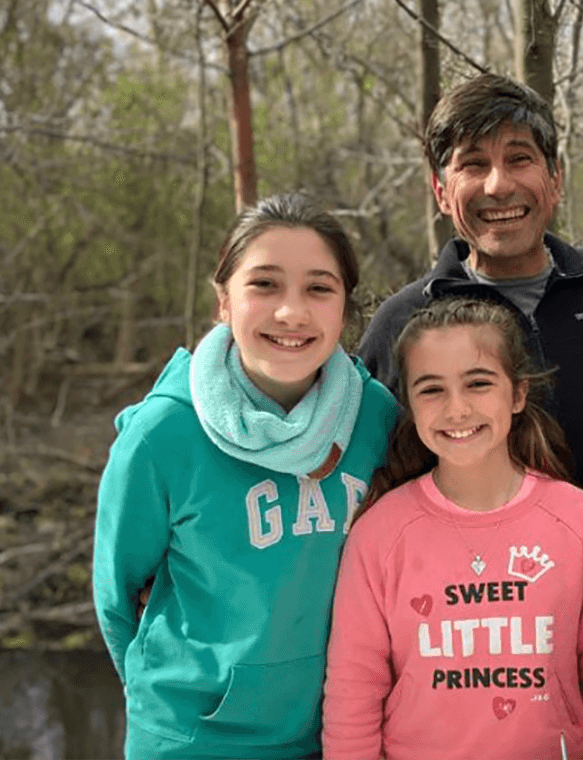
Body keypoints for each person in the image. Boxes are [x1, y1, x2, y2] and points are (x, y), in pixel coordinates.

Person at [92, 193, 398, 760]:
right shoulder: (163, 433)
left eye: (319, 288)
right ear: (223, 302)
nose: (291, 313)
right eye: (264, 284)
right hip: (192, 739)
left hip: (332, 732)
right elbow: (115, 598)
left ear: (344, 308)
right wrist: (192, 699)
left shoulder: (374, 417)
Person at [324, 297, 583, 759]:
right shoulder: (380, 534)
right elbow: (353, 691)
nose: (457, 409)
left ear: (518, 394)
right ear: (408, 403)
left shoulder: (580, 522)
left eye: (478, 383)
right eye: (432, 390)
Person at [356, 74, 583, 557]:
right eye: (473, 164)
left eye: (519, 158)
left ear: (554, 178)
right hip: (477, 606)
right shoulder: (407, 318)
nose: (499, 185)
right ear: (441, 191)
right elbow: (360, 464)